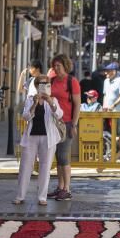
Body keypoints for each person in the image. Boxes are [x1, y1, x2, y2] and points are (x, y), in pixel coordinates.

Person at [15, 75, 63, 206]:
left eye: (47, 84)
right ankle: (20, 196)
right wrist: (35, 104)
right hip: (31, 137)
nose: (44, 86)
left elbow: (59, 115)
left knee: (45, 167)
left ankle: (42, 197)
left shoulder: (53, 100)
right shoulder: (30, 100)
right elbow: (25, 117)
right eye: (41, 84)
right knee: (25, 166)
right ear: (36, 86)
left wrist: (50, 102)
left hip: (48, 138)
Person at [47, 54, 81, 201]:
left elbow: (77, 104)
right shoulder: (52, 80)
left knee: (63, 155)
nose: (56, 68)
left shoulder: (71, 82)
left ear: (65, 66)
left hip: (66, 122)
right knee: (57, 157)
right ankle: (60, 187)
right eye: (54, 66)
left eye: (59, 66)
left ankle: (67, 189)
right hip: (53, 123)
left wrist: (74, 123)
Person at [101, 62, 120, 157]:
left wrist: (114, 105)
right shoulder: (106, 81)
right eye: (106, 71)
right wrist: (104, 106)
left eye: (107, 71)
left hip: (118, 111)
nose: (106, 73)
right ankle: (112, 151)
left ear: (114, 71)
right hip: (108, 112)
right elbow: (105, 95)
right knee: (109, 131)